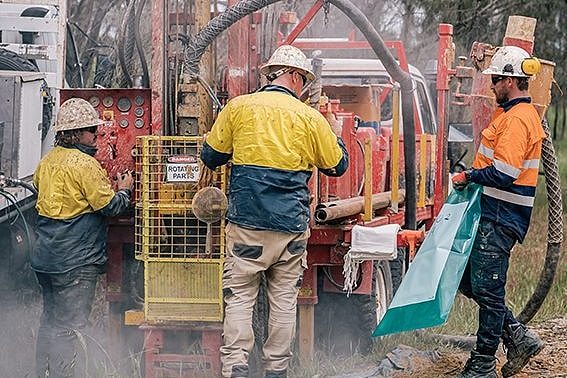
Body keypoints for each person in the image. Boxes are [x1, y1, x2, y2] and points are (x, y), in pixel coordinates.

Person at [200, 44, 348, 378]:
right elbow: (337, 166)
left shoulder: (238, 108)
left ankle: (235, 365)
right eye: (303, 81)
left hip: (247, 224)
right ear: (294, 76)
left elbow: (211, 157)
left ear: (272, 74)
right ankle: (276, 369)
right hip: (289, 228)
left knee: (239, 296)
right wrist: (336, 137)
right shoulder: (309, 118)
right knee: (283, 300)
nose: (304, 88)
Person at [452, 45, 545, 378]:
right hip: (492, 213)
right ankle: (518, 337)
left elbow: (504, 173)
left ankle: (483, 363)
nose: (491, 84)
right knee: (470, 282)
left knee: (489, 290)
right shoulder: (509, 115)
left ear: (511, 80)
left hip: (502, 216)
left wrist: (468, 176)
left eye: (496, 79)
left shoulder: (519, 120)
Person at [32, 98, 134, 377]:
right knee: (70, 327)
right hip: (74, 263)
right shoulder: (85, 165)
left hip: (46, 259)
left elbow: (39, 190)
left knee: (50, 322)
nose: (97, 137)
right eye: (92, 131)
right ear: (76, 134)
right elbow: (110, 206)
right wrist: (125, 189)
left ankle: (43, 372)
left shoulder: (47, 161)